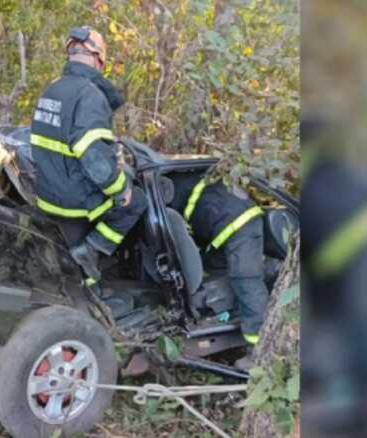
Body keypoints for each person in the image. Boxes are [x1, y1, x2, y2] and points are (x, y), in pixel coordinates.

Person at [29, 26, 146, 284]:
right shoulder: (89, 95)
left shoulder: (53, 89)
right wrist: (121, 190)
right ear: (98, 59)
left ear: (70, 53)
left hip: (49, 195)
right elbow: (94, 158)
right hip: (75, 202)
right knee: (136, 201)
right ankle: (92, 251)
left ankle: (85, 271)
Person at [168, 174, 267, 370]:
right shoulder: (184, 182)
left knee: (245, 280)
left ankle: (259, 351)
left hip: (241, 224)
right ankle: (231, 311)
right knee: (218, 271)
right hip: (223, 228)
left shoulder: (174, 192)